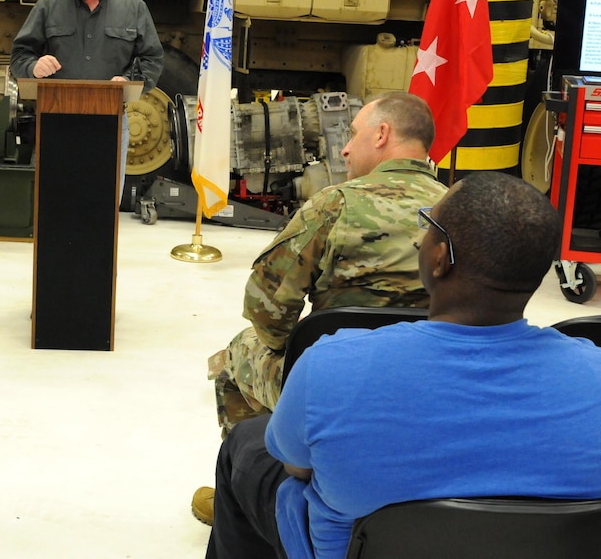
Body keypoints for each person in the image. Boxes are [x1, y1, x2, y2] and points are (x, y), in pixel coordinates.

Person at [207, 172, 601, 559]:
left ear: (439, 257)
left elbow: (295, 467)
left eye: (427, 223)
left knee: (246, 442)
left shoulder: (332, 366)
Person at [193, 92, 448, 524]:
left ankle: (247, 495)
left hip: (339, 387)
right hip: (435, 384)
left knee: (237, 355)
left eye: (353, 135)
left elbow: (268, 313)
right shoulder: (461, 211)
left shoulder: (335, 205)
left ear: (382, 134)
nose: (345, 148)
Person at [9, 0, 164, 189]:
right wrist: (34, 66)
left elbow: (152, 59)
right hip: (56, 122)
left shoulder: (133, 8)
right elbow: (19, 55)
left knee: (102, 204)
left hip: (110, 123)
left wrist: (127, 81)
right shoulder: (48, 7)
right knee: (52, 200)